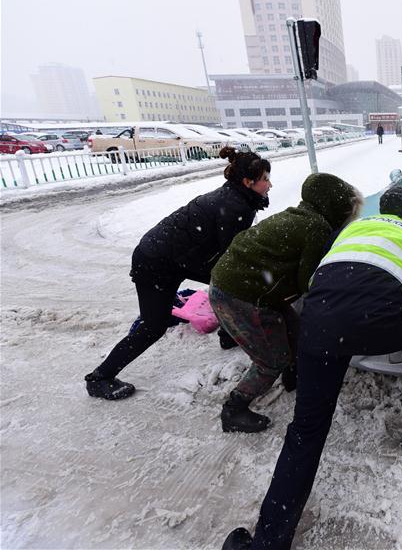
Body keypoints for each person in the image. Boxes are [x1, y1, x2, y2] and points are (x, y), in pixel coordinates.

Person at [222, 186, 402, 550]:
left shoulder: (349, 231)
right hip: (372, 323)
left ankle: (269, 542)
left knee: (306, 432)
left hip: (318, 327)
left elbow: (320, 280)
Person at [84, 147, 272, 400]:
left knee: (230, 283)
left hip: (175, 258)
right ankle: (100, 378)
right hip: (155, 263)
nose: (270, 185)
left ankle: (228, 335)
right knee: (154, 326)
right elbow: (231, 260)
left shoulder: (237, 198)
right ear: (248, 182)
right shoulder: (236, 206)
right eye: (265, 179)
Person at [209, 173, 363, 433]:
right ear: (337, 209)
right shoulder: (317, 228)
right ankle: (234, 409)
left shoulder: (300, 215)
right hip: (241, 295)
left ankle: (294, 375)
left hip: (243, 286)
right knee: (270, 360)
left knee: (296, 330)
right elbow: (309, 283)